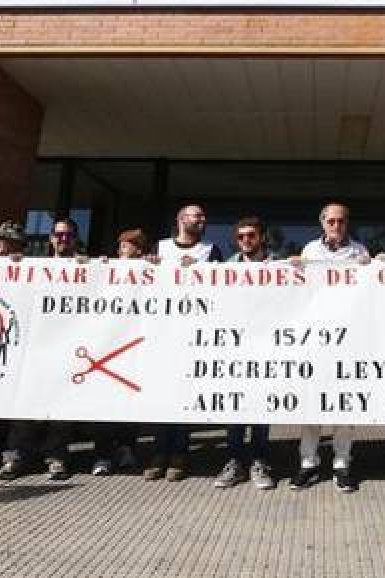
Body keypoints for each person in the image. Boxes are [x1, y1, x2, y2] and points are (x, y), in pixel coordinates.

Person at [289, 202, 371, 494]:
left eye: (341, 221)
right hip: (316, 336)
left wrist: (372, 269)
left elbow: (368, 293)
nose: (336, 225)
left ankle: (341, 463)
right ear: (322, 222)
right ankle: (308, 463)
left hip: (348, 336)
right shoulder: (310, 251)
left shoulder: (360, 252)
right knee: (312, 402)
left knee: (343, 403)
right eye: (331, 221)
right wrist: (294, 269)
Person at [0, 217, 85, 482]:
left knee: (60, 405)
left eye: (68, 235)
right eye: (58, 235)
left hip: (68, 346)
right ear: (50, 239)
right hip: (32, 346)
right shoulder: (31, 265)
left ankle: (56, 458)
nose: (63, 239)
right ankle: (15, 458)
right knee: (23, 402)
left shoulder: (88, 267)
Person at [146, 204, 221, 481]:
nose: (201, 219)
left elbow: (222, 287)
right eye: (195, 215)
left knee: (184, 394)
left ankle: (179, 453)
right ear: (180, 219)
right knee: (161, 393)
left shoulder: (211, 251)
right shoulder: (161, 247)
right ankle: (159, 452)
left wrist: (201, 271)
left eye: (203, 215)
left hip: (193, 333)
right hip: (163, 332)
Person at [214, 216, 278, 490]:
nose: (246, 241)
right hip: (235, 346)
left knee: (261, 408)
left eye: (251, 235)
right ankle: (234, 461)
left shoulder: (279, 266)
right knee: (235, 406)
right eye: (240, 237)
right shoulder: (226, 268)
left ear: (262, 237)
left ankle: (259, 462)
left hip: (269, 345)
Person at [89, 228, 151, 476]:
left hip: (135, 344)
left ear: (138, 248)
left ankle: (127, 450)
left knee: (129, 401)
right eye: (120, 245)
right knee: (104, 403)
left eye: (126, 245)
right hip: (107, 342)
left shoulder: (149, 270)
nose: (121, 249)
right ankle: (102, 454)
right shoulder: (108, 268)